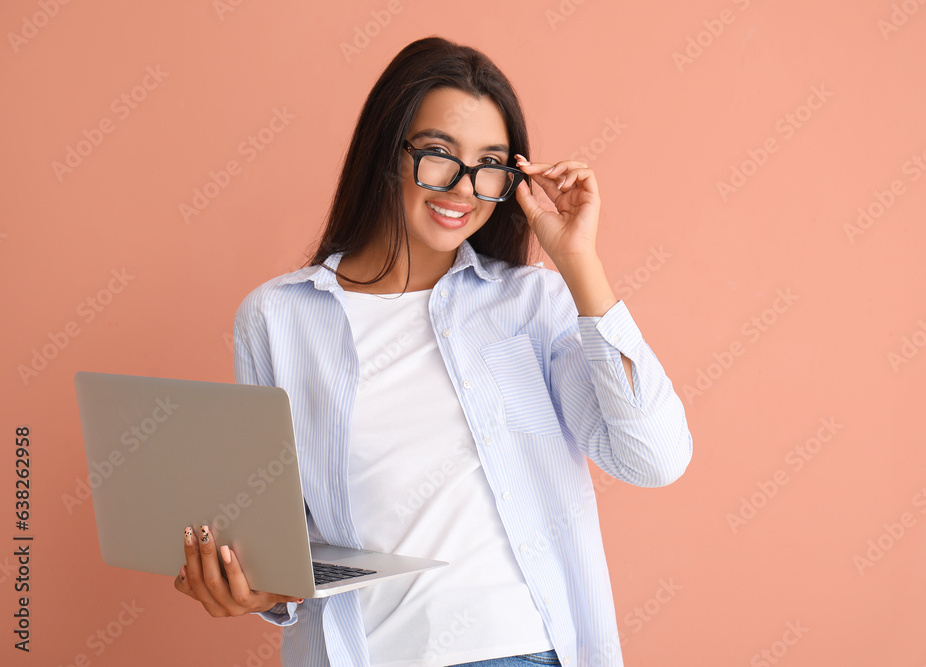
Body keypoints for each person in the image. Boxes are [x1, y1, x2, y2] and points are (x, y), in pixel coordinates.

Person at [173, 36, 693, 667]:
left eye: (490, 164)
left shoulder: (531, 304)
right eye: (440, 155)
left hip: (523, 652)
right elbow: (284, 539)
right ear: (386, 151)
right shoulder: (278, 317)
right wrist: (249, 587)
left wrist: (579, 262)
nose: (464, 188)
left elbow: (654, 456)